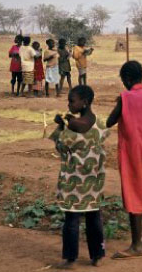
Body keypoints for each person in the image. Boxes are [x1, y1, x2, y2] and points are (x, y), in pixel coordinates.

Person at [107, 61, 142, 258]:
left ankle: (135, 246)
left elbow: (109, 121)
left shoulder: (125, 98)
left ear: (128, 79)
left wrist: (121, 103)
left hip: (131, 153)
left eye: (123, 80)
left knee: (134, 195)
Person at [49, 85, 107, 269]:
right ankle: (97, 255)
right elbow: (101, 139)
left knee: (72, 220)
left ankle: (70, 259)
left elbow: (60, 146)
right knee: (94, 218)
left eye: (72, 101)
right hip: (94, 180)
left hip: (73, 181)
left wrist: (60, 124)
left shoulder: (70, 130)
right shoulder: (99, 123)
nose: (69, 104)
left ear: (84, 102)